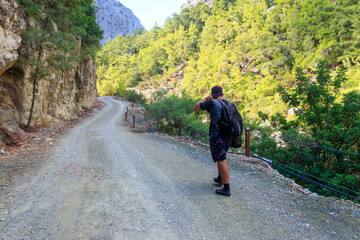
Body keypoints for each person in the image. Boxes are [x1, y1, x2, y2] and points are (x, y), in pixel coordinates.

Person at [193, 85, 233, 196]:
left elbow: (196, 107)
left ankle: (226, 189)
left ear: (213, 94)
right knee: (222, 156)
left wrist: (207, 98)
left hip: (217, 135)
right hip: (229, 135)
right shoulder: (229, 103)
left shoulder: (212, 102)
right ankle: (220, 178)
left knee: (221, 160)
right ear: (222, 94)